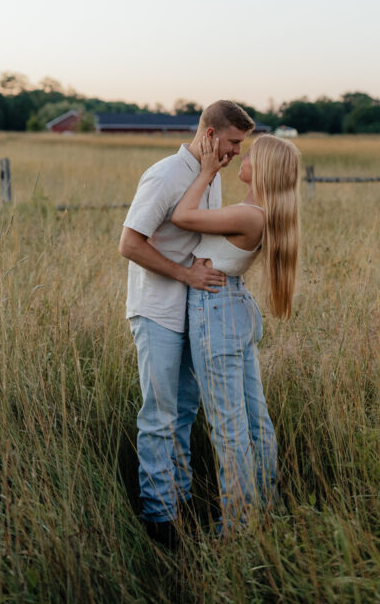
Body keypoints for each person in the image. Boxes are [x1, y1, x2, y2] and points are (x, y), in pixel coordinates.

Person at [119, 101, 256, 548]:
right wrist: (187, 274)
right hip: (157, 310)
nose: (237, 151)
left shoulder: (208, 178)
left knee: (183, 415)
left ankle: (177, 504)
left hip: (193, 314)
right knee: (159, 417)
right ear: (211, 135)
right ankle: (161, 522)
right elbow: (129, 244)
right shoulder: (164, 175)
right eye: (233, 142)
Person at [171, 131, 300, 530]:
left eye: (249, 154)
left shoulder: (249, 215)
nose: (240, 157)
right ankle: (266, 507)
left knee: (228, 426)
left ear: (262, 168)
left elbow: (182, 215)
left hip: (219, 311)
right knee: (254, 418)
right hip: (234, 306)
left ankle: (240, 525)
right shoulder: (258, 209)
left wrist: (207, 171)